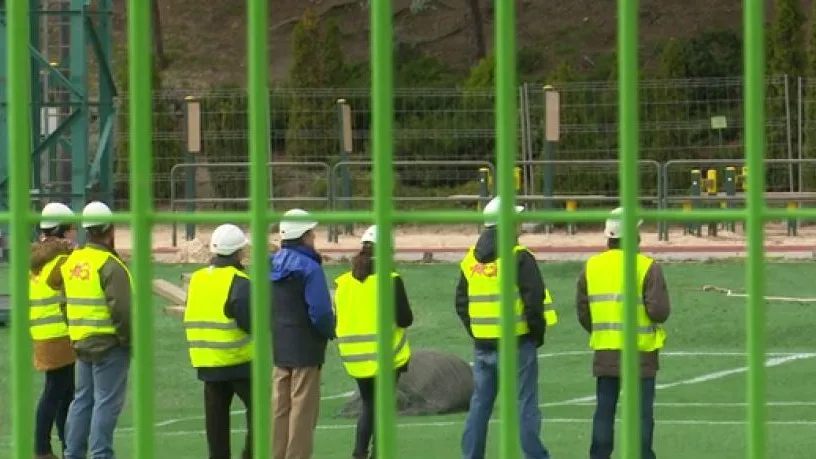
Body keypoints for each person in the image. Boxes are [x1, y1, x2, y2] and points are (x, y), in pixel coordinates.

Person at [455, 197, 551, 459]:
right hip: (517, 343)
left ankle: (471, 455)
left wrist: (477, 331)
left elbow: (461, 303)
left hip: (483, 345)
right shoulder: (518, 257)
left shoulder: (469, 262)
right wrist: (535, 335)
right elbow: (534, 300)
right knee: (525, 405)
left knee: (480, 406)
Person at [575, 207, 671, 459]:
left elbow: (584, 311)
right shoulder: (646, 266)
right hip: (641, 350)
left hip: (606, 348)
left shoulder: (592, 266)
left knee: (604, 410)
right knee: (641, 413)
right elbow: (659, 311)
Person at [334, 225, 413, 459]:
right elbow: (405, 318)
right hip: (386, 356)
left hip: (355, 359)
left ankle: (359, 453)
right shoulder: (390, 279)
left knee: (369, 404)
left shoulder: (344, 282)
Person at [62, 201, 132, 459]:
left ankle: (73, 453)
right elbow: (122, 309)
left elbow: (63, 302)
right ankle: (101, 454)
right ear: (110, 230)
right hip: (109, 344)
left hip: (81, 342)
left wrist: (75, 332)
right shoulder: (110, 265)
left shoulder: (73, 261)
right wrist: (127, 341)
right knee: (106, 402)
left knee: (82, 401)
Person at [270, 208, 336, 459]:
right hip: (307, 350)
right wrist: (330, 330)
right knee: (302, 412)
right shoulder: (310, 268)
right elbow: (320, 311)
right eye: (312, 233)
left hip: (280, 347)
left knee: (280, 409)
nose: (314, 237)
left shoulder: (270, 264)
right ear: (304, 236)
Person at [184, 224, 253, 459]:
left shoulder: (198, 279)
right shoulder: (240, 282)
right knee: (262, 412)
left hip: (206, 362)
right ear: (239, 252)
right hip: (238, 362)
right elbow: (251, 323)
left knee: (216, 424)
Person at [31, 202, 77, 459]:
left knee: (64, 391)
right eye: (72, 229)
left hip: (44, 332)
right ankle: (42, 448)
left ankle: (64, 444)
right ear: (63, 230)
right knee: (55, 392)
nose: (75, 233)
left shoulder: (40, 258)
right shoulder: (61, 260)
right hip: (58, 334)